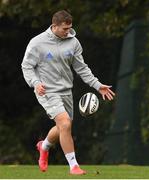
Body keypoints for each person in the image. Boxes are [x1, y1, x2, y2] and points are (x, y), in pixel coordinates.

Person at [21, 10, 115, 175]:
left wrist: (97, 85)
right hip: (47, 91)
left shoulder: (73, 42)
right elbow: (26, 66)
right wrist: (35, 83)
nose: (68, 31)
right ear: (54, 26)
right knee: (65, 124)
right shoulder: (37, 43)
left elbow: (81, 68)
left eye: (70, 28)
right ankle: (74, 166)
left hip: (66, 91)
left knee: (64, 126)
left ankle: (43, 147)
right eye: (65, 29)